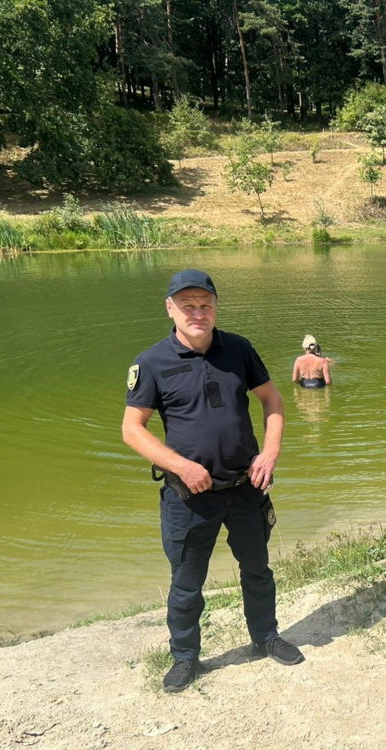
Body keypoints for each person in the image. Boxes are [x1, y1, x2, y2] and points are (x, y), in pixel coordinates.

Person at [122, 269, 302, 693]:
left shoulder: (238, 349)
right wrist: (180, 466)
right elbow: (133, 429)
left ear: (216, 307)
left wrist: (270, 453)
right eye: (188, 305)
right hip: (188, 497)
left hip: (245, 488)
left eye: (205, 305)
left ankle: (266, 636)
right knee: (186, 583)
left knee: (258, 570)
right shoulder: (150, 363)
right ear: (171, 308)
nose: (198, 313)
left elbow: (273, 400)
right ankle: (185, 657)